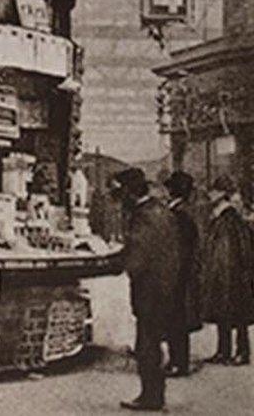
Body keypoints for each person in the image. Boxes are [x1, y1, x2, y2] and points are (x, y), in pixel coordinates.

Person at [110, 166, 182, 412]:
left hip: (150, 289)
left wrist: (114, 264)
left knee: (147, 345)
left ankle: (151, 397)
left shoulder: (144, 215)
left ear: (131, 192)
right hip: (164, 286)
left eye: (122, 193)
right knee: (151, 342)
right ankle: (153, 394)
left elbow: (138, 255)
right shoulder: (160, 211)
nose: (120, 200)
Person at [200, 173, 254, 365]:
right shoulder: (223, 217)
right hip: (226, 272)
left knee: (237, 314)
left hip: (231, 273)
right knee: (224, 312)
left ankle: (242, 352)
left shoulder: (228, 219)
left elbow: (228, 250)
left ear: (222, 194)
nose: (210, 195)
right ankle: (223, 351)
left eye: (214, 191)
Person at [163, 170, 201, 376]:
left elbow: (181, 247)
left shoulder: (180, 214)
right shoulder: (180, 211)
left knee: (177, 318)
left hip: (178, 273)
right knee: (174, 318)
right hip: (179, 271)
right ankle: (176, 360)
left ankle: (179, 363)